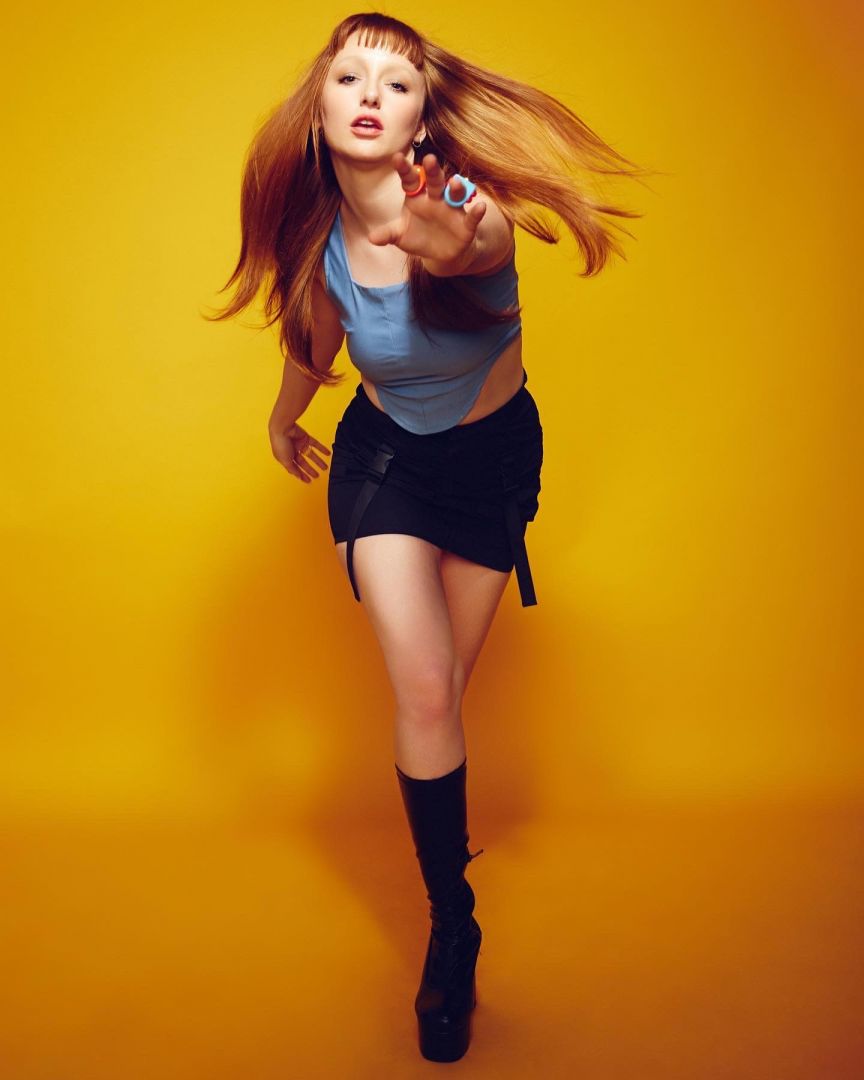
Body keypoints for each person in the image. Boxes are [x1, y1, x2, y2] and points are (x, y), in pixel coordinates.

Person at [206, 11, 648, 1063]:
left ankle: (451, 907)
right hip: (383, 464)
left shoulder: (467, 211)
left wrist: (434, 233)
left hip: (489, 468)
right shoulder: (319, 242)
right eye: (349, 77)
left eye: (396, 84)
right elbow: (317, 337)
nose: (370, 94)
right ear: (319, 108)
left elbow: (467, 247)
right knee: (423, 688)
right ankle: (454, 929)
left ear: (422, 120)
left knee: (444, 692)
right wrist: (284, 418)